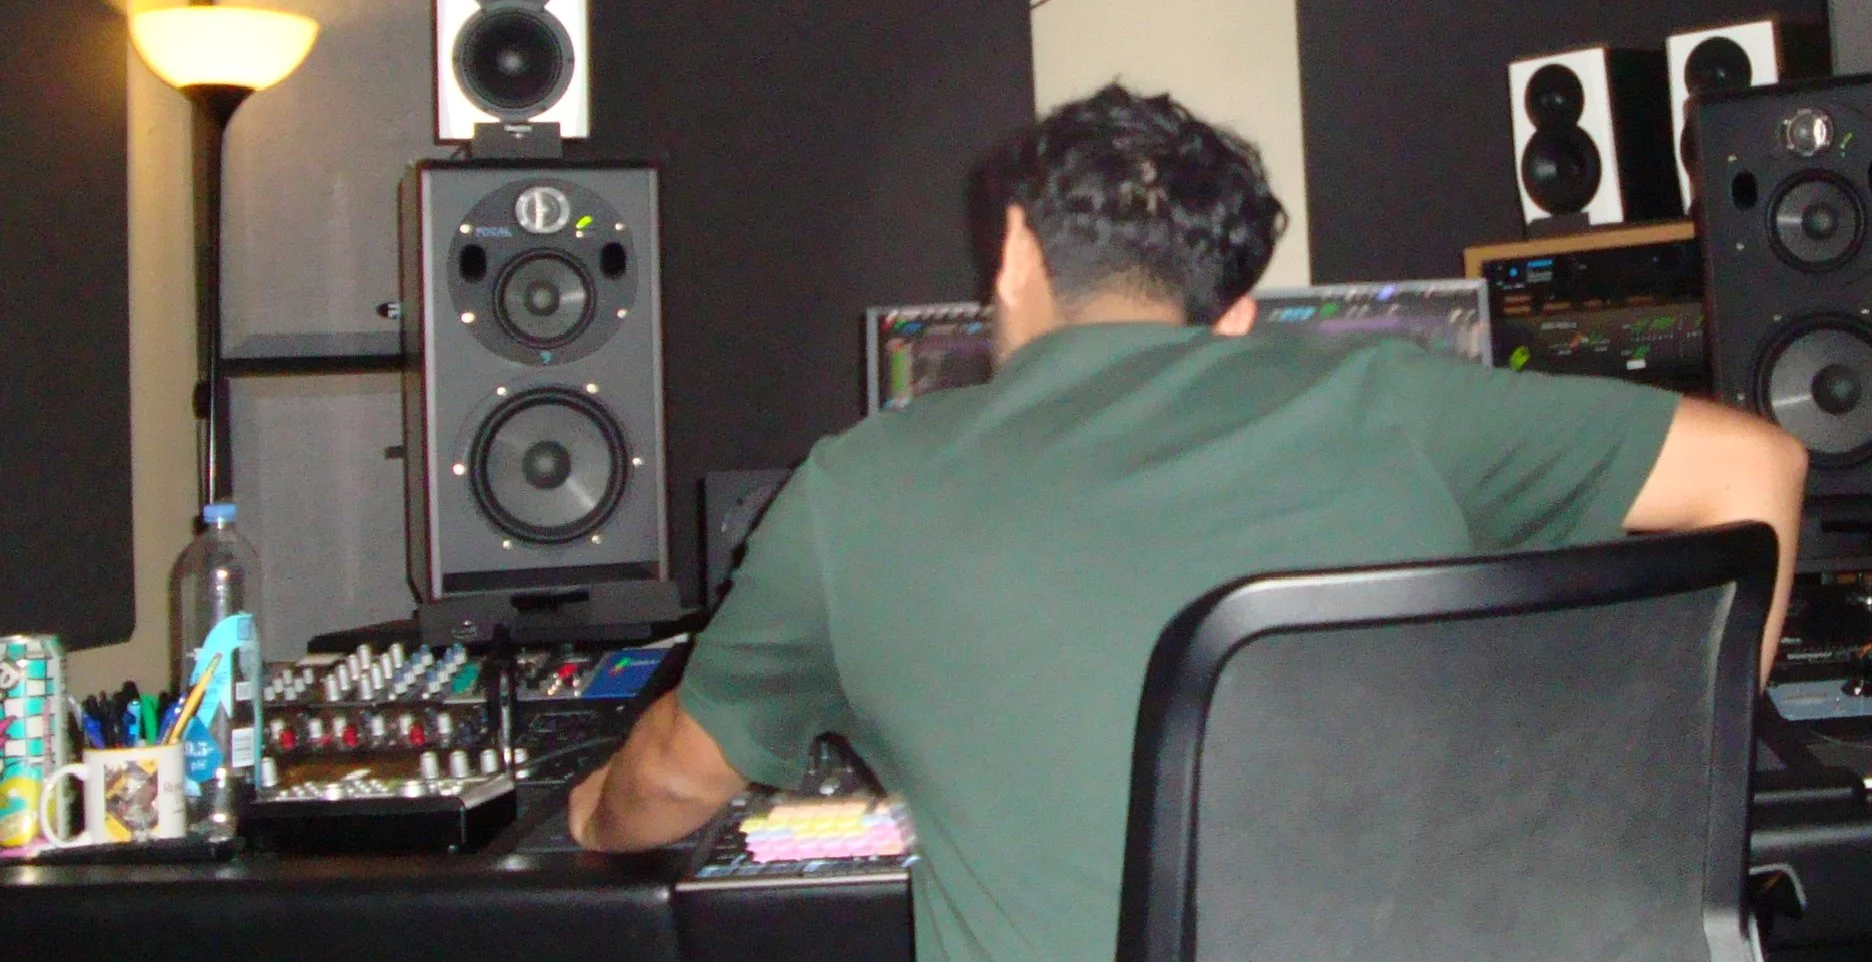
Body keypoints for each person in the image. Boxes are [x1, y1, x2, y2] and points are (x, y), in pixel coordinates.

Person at [570, 83, 1806, 962]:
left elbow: (676, 776)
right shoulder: (1394, 404)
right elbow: (1755, 465)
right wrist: (1637, 815)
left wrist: (578, 819)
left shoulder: (854, 488)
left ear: (1010, 257)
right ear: (1236, 317)